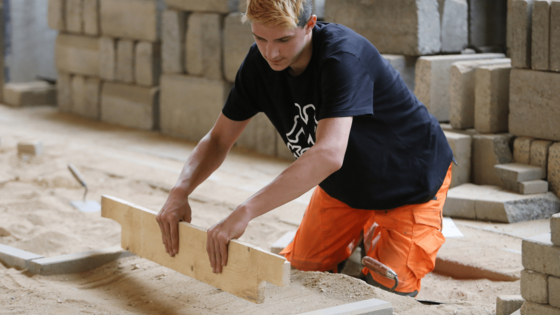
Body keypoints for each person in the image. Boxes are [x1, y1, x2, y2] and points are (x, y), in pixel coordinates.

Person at [156, 0, 454, 297]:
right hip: (344, 186)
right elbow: (219, 139)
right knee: (299, 272)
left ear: (310, 24)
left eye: (283, 39)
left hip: (409, 182)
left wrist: (245, 211)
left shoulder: (343, 57)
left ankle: (375, 233)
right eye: (260, 38)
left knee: (384, 290)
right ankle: (362, 235)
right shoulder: (259, 65)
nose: (271, 52)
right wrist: (178, 192)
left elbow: (328, 154)